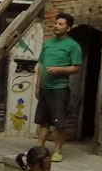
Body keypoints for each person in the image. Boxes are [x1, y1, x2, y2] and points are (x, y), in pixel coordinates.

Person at [34, 12, 82, 163]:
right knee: (43, 121)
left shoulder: (73, 46)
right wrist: (37, 85)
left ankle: (57, 151)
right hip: (45, 88)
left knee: (59, 122)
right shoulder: (47, 43)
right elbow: (41, 65)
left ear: (68, 28)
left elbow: (76, 68)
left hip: (59, 88)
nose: (56, 26)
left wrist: (59, 70)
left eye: (61, 24)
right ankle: (39, 149)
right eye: (56, 23)